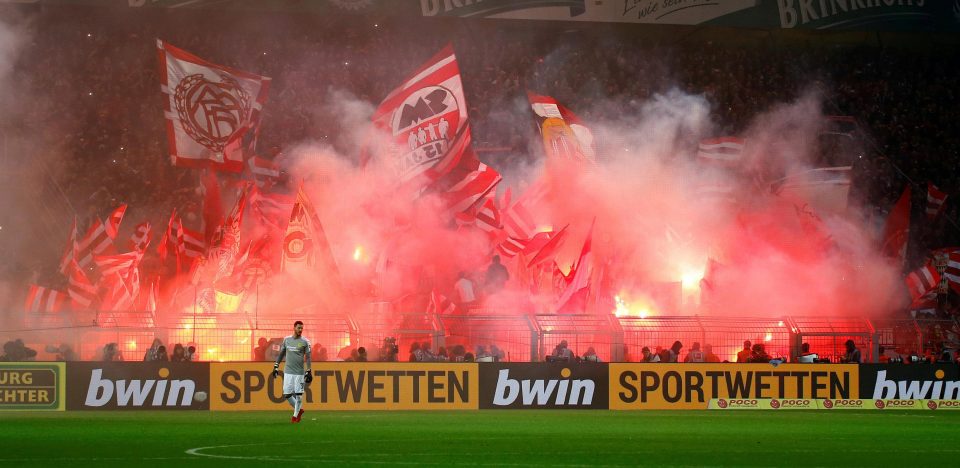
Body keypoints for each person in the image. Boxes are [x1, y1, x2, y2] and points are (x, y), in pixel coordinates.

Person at [273, 321, 312, 423]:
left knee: (299, 395)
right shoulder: (287, 340)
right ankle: (299, 410)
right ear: (294, 328)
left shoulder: (305, 341)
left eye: (302, 328)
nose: (300, 330)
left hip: (299, 372)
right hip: (288, 372)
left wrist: (309, 370)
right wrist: (276, 366)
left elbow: (308, 357)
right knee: (287, 394)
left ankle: (294, 416)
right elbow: (281, 354)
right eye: (299, 328)